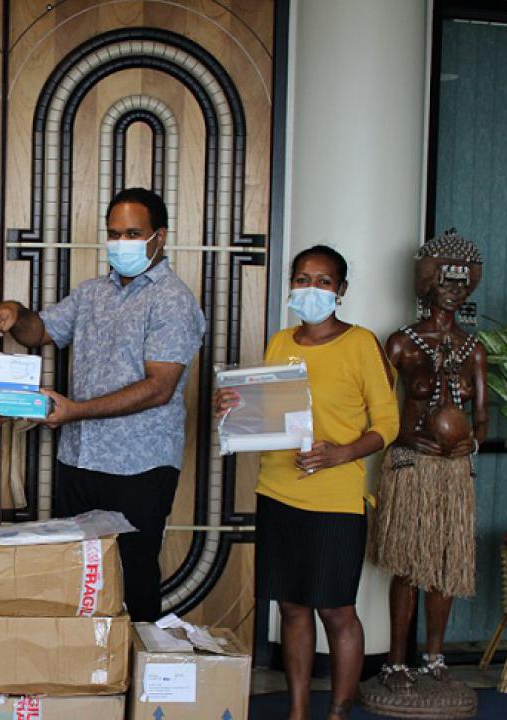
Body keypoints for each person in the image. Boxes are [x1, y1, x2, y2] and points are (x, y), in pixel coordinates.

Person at [0, 187, 205, 622]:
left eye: (132, 233)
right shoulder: (92, 294)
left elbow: (159, 387)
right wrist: (17, 312)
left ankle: (132, 681)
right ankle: (82, 677)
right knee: (77, 576)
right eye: (113, 233)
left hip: (139, 466)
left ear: (159, 237)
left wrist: (76, 411)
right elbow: (40, 332)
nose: (120, 243)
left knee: (134, 575)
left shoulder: (173, 300)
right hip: (80, 459)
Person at [214, 245, 399, 720]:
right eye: (301, 278)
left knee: (336, 610)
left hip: (335, 499)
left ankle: (337, 713)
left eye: (322, 281)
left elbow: (388, 422)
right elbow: (267, 412)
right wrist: (231, 409)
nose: (309, 289)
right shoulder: (280, 342)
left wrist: (343, 453)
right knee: (292, 607)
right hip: (277, 490)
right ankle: (298, 712)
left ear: (340, 291)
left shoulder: (361, 344)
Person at [371, 230, 487, 689]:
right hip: (410, 464)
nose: (454, 292)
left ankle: (434, 657)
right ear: (427, 283)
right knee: (408, 564)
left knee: (445, 564)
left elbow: (482, 417)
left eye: (462, 285)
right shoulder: (400, 344)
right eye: (446, 282)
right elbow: (378, 409)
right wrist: (404, 439)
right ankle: (396, 660)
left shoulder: (473, 348)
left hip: (454, 470)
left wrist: (470, 443)